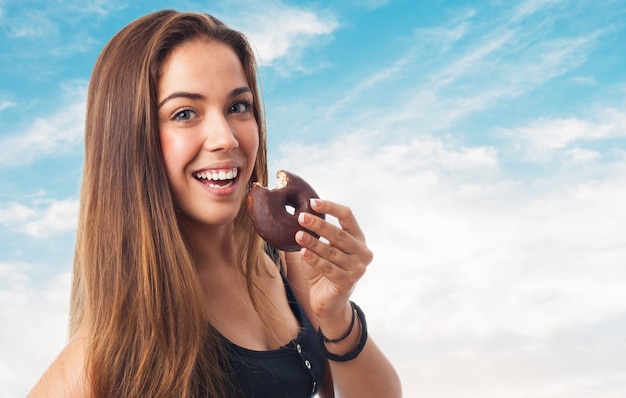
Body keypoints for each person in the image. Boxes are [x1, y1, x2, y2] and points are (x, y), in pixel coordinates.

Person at [28, 9, 401, 397]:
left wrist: (337, 316)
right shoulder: (101, 358)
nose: (225, 138)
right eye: (184, 113)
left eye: (238, 106)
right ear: (130, 143)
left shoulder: (286, 264)